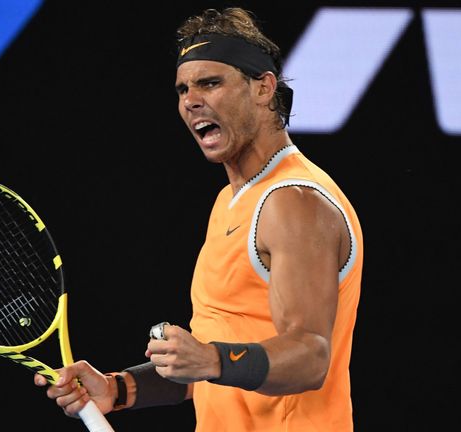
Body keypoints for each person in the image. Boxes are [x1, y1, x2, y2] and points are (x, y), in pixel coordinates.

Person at [34, 7, 364, 431]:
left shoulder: (293, 201)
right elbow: (214, 372)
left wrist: (210, 358)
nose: (190, 100)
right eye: (182, 89)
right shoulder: (232, 201)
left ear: (263, 88)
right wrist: (118, 389)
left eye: (210, 83)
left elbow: (310, 357)